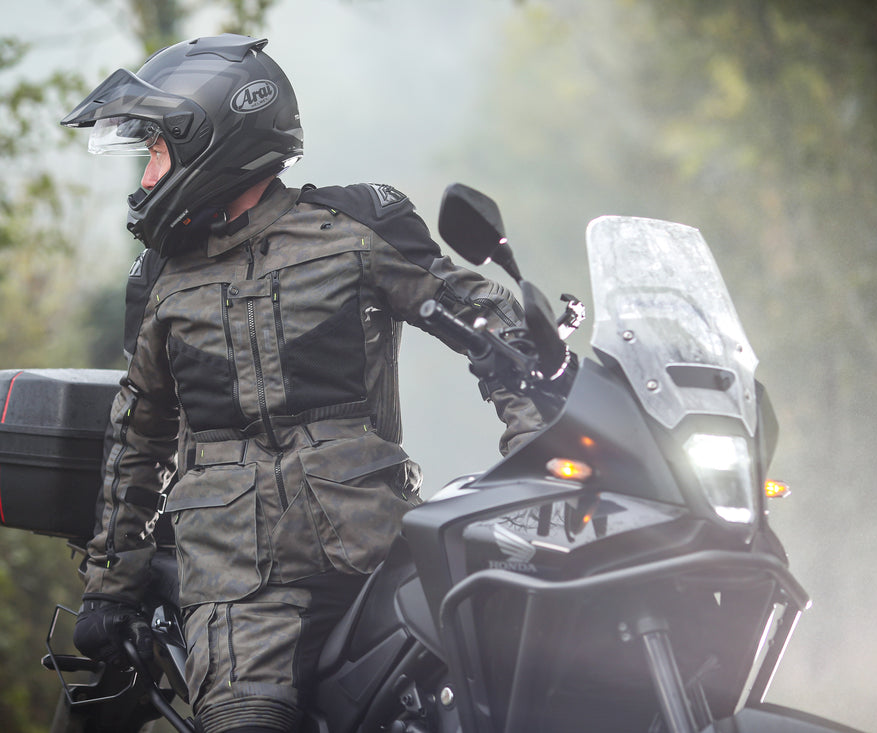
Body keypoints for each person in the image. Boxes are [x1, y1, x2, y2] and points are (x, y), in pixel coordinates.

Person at [61, 33, 543, 733]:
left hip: (380, 556)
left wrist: (533, 453)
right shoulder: (162, 282)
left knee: (504, 693)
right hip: (237, 595)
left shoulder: (355, 229)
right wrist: (108, 589)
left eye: (158, 150)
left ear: (215, 138)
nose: (146, 177)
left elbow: (488, 321)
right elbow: (137, 434)